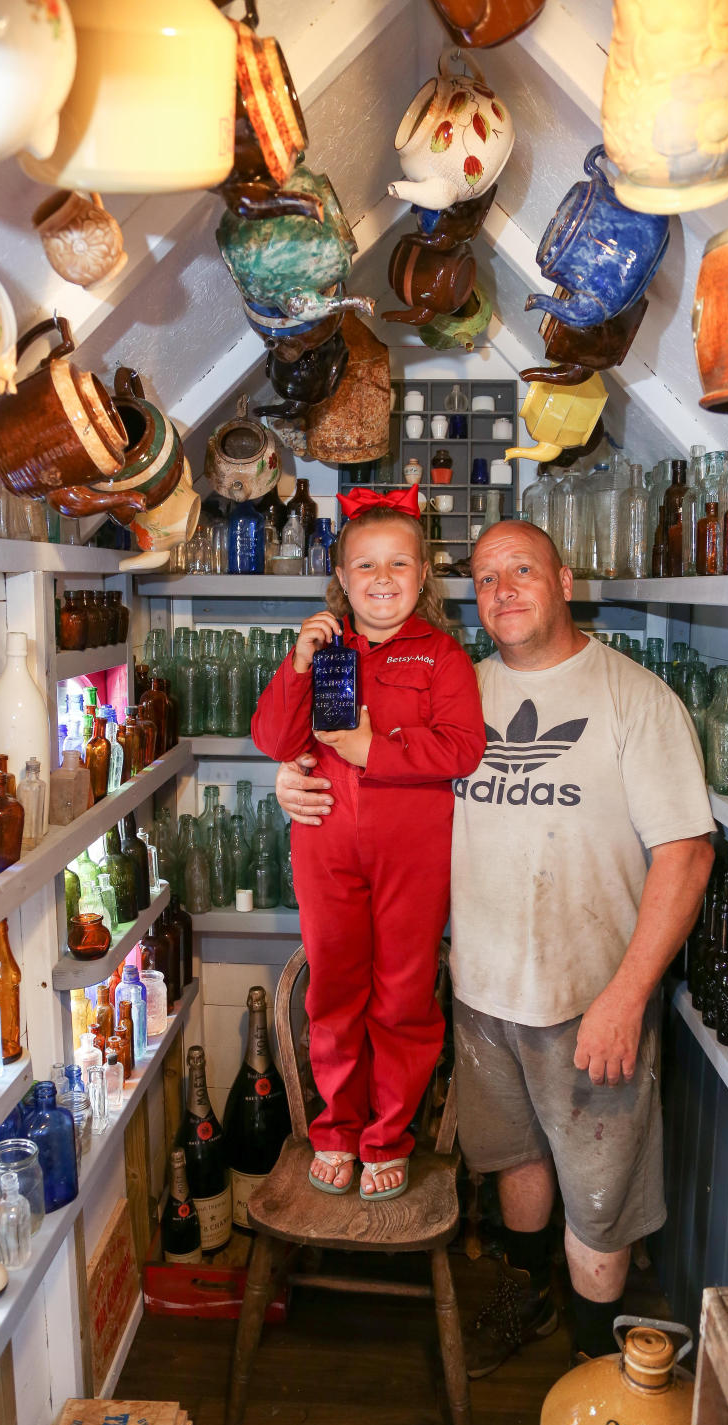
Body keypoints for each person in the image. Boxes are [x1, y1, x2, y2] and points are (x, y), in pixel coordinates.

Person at [274, 519, 714, 1365]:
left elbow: (688, 857)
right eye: (485, 578)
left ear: (566, 578)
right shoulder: (455, 688)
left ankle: (595, 1359)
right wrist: (290, 779)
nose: (503, 589)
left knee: (599, 1194)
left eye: (522, 569)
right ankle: (527, 1304)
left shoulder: (635, 698)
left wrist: (626, 999)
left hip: (592, 1001)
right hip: (479, 995)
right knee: (515, 1162)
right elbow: (358, 758)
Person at [251, 486, 485, 1200]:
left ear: (423, 576)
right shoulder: (325, 651)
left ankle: (388, 1135)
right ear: (342, 579)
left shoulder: (441, 656)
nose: (382, 579)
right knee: (335, 994)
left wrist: (368, 746)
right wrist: (297, 662)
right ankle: (337, 1130)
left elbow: (463, 748)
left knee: (405, 998)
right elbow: (275, 740)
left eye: (398, 565)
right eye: (365, 566)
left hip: (413, 859)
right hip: (325, 851)